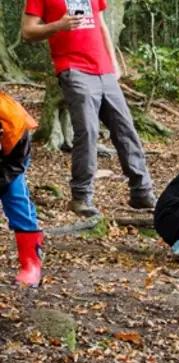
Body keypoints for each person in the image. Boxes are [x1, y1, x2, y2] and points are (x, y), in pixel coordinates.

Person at [22, 0, 156, 217]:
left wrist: (114, 63)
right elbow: (27, 31)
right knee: (88, 131)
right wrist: (58, 26)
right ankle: (81, 196)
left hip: (104, 70)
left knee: (126, 129)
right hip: (73, 68)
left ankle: (141, 192)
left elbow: (101, 24)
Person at [1, 91, 43, 287]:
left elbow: (16, 163)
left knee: (15, 195)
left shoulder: (12, 119)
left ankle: (31, 264)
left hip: (9, 159)